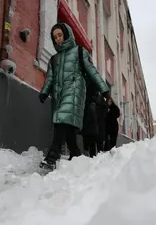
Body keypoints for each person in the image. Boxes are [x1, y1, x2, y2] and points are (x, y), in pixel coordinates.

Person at [38, 22, 110, 170]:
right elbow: (50, 78)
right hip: (60, 94)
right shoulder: (54, 59)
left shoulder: (79, 51)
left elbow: (91, 70)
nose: (58, 39)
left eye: (60, 35)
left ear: (66, 34)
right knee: (68, 127)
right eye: (55, 37)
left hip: (75, 91)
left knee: (61, 120)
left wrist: (104, 89)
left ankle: (52, 156)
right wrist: (44, 91)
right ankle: (76, 155)